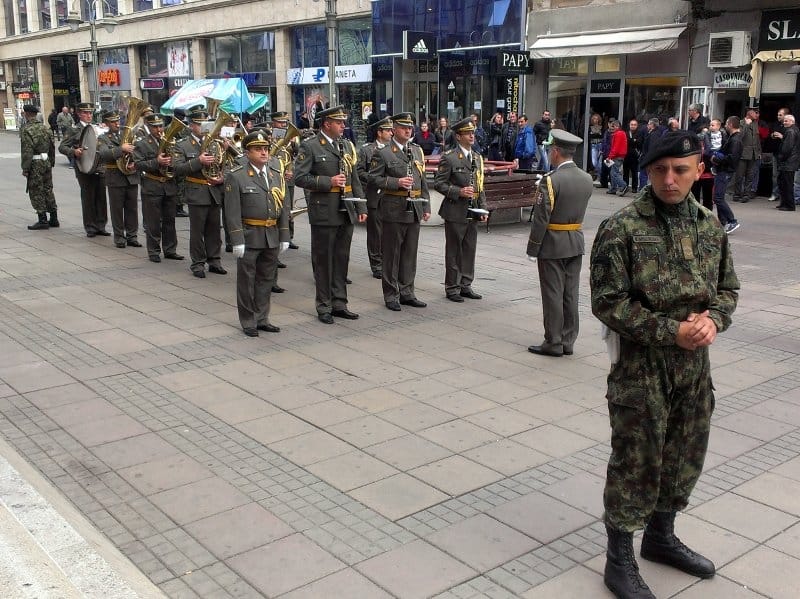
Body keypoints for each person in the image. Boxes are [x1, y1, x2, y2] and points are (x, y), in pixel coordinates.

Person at [590, 130, 739, 599]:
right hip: (642, 369)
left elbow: (728, 289)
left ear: (699, 170)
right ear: (648, 171)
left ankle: (660, 536)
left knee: (683, 456)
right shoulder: (622, 228)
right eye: (660, 170)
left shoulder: (709, 225)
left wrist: (713, 320)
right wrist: (668, 330)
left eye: (680, 169)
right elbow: (608, 302)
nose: (670, 180)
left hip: (695, 369)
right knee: (636, 459)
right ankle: (619, 559)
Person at [294, 105, 367, 324]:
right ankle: (324, 305)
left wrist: (361, 207)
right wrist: (328, 182)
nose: (344, 126)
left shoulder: (346, 145)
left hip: (346, 210)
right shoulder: (311, 146)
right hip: (324, 210)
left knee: (341, 259)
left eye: (343, 122)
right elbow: (300, 177)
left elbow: (354, 178)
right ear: (327, 124)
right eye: (339, 122)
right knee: (324, 260)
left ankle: (340, 303)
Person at [526, 129, 593, 357]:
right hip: (575, 241)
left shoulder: (550, 181)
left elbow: (541, 218)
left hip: (553, 244)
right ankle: (568, 340)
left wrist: (533, 247)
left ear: (555, 152)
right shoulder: (587, 179)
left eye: (550, 149)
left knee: (553, 293)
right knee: (570, 294)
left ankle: (553, 341)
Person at [224, 130, 289, 337]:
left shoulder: (275, 174)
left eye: (266, 149)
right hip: (250, 234)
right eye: (258, 149)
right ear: (247, 152)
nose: (264, 152)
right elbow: (232, 211)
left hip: (271, 233)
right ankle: (248, 320)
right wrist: (236, 239)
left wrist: (284, 235)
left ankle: (262, 318)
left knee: (266, 279)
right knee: (247, 281)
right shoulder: (237, 176)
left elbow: (283, 207)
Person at [369, 113, 431, 310]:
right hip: (393, 208)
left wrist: (426, 206)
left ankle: (407, 292)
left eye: (410, 127)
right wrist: (396, 183)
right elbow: (373, 178)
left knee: (409, 254)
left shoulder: (417, 151)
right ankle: (391, 295)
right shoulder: (384, 152)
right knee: (392, 254)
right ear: (394, 129)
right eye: (404, 127)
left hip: (414, 208)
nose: (408, 130)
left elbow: (423, 181)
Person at [433, 117, 488, 302]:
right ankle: (452, 287)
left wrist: (483, 208)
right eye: (468, 133)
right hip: (455, 210)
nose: (472, 135)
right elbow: (440, 184)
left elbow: (480, 186)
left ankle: (466, 284)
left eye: (473, 132)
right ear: (458, 136)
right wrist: (459, 191)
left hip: (473, 211)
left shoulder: (478, 158)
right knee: (454, 250)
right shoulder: (449, 157)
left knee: (469, 249)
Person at [173, 107, 227, 278]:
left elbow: (225, 165)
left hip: (214, 190)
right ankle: (197, 263)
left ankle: (215, 260)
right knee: (197, 231)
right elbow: (177, 168)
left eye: (206, 124)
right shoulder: (183, 145)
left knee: (214, 230)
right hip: (196, 191)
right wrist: (198, 161)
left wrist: (222, 175)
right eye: (199, 124)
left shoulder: (214, 142)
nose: (204, 128)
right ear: (191, 126)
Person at [133, 113, 183, 263]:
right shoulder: (142, 143)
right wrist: (157, 161)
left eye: (160, 126)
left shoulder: (170, 141)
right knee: (153, 221)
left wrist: (172, 162)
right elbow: (138, 164)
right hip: (152, 185)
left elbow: (178, 160)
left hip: (168, 186)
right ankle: (154, 251)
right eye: (155, 127)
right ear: (148, 127)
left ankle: (170, 249)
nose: (159, 129)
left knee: (170, 220)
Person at [59, 102, 110, 237]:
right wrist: (74, 151)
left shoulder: (97, 128)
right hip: (84, 167)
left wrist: (106, 130)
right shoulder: (73, 129)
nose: (89, 115)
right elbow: (62, 147)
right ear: (79, 114)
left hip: (99, 166)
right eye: (85, 113)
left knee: (101, 197)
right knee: (88, 197)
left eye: (90, 113)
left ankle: (101, 225)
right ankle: (90, 227)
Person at [96, 110, 140, 248]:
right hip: (115, 177)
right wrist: (122, 149)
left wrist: (135, 161)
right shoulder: (103, 138)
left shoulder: (128, 135)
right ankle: (120, 237)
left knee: (132, 209)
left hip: (131, 176)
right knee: (117, 209)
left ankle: (132, 236)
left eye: (117, 120)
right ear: (106, 123)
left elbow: (139, 151)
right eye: (113, 121)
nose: (117, 123)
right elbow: (103, 154)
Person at [357, 115, 393, 279]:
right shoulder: (367, 150)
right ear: (379, 133)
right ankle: (376, 264)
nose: (391, 133)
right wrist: (374, 179)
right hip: (374, 195)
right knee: (375, 233)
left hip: (391, 197)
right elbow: (359, 171)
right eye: (388, 130)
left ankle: (387, 262)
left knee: (388, 232)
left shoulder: (394, 149)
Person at [20, 104, 58, 231]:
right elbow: (52, 147)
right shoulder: (45, 128)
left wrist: (25, 168)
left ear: (26, 114)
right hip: (46, 161)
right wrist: (51, 161)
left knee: (36, 190)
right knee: (48, 189)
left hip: (35, 163)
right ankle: (54, 217)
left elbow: (27, 150)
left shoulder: (27, 129)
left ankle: (42, 219)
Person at [270, 111, 300, 250]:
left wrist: (294, 144)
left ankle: (289, 236)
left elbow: (297, 155)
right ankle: (276, 238)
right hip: (274, 178)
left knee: (289, 208)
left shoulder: (291, 136)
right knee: (276, 208)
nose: (283, 125)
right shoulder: (269, 136)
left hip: (288, 177)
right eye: (280, 122)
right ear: (274, 122)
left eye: (285, 122)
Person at [710, 116, 742, 232]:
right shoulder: (732, 138)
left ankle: (731, 221)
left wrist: (718, 159)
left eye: (727, 123)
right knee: (719, 197)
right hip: (723, 170)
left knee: (718, 197)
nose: (726, 126)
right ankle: (723, 222)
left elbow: (732, 158)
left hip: (725, 171)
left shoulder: (735, 140)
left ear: (731, 125)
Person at [732, 108, 761, 203]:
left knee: (750, 176)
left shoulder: (755, 123)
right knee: (739, 175)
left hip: (753, 153)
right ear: (749, 114)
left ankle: (746, 194)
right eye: (755, 113)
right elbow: (740, 136)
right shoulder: (741, 123)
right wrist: (747, 125)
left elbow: (757, 139)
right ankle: (737, 194)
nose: (757, 115)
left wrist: (759, 152)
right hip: (743, 153)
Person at [776, 113, 800, 212]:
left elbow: (787, 148)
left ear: (792, 122)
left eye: (786, 121)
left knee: (787, 184)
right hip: (790, 162)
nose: (784, 122)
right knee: (783, 183)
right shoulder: (794, 130)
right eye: (784, 120)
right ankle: (784, 203)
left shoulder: (790, 131)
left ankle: (789, 205)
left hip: (788, 162)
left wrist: (780, 157)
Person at [767, 108, 790, 202]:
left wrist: (782, 137)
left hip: (785, 155)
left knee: (785, 175)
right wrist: (773, 135)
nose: (778, 116)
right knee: (775, 175)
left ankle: (784, 195)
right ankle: (775, 193)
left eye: (780, 115)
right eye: (778, 114)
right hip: (776, 153)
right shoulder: (775, 124)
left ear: (786, 116)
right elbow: (769, 135)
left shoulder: (789, 127)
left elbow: (791, 141)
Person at [605, 119, 628, 196]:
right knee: (613, 172)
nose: (611, 128)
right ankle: (613, 189)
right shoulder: (621, 133)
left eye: (613, 126)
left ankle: (623, 185)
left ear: (617, 126)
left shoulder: (618, 134)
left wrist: (609, 157)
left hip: (617, 156)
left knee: (614, 173)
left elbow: (615, 147)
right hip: (619, 156)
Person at [623, 119, 643, 193]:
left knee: (634, 173)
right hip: (626, 155)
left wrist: (631, 140)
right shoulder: (626, 133)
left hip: (635, 156)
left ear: (637, 126)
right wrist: (633, 140)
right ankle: (625, 186)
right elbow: (625, 142)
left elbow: (639, 142)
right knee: (625, 173)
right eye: (632, 124)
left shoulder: (639, 133)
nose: (633, 126)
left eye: (634, 125)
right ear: (629, 125)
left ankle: (634, 188)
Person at [588, 113, 604, 178]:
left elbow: (602, 136)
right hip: (593, 145)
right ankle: (598, 173)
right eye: (594, 119)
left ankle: (600, 176)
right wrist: (597, 134)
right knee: (594, 162)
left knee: (600, 163)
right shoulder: (590, 127)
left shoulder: (602, 127)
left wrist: (594, 134)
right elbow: (589, 136)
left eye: (597, 119)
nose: (595, 120)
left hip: (600, 145)